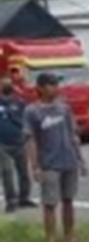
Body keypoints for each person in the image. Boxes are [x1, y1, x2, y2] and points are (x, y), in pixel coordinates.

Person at [23, 73, 86, 242]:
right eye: (51, 84)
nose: (56, 87)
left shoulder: (64, 109)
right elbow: (31, 140)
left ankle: (70, 236)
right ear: (41, 88)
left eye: (57, 84)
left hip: (68, 160)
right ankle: (50, 240)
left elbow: (73, 135)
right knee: (50, 203)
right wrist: (34, 166)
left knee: (69, 200)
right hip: (49, 163)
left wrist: (81, 160)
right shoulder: (32, 111)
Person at [1, 78, 35, 212]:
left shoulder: (20, 103)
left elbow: (27, 119)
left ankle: (24, 198)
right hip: (2, 144)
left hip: (19, 141)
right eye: (4, 84)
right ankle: (11, 201)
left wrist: (27, 135)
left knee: (24, 172)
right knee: (6, 172)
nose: (6, 86)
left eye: (9, 84)